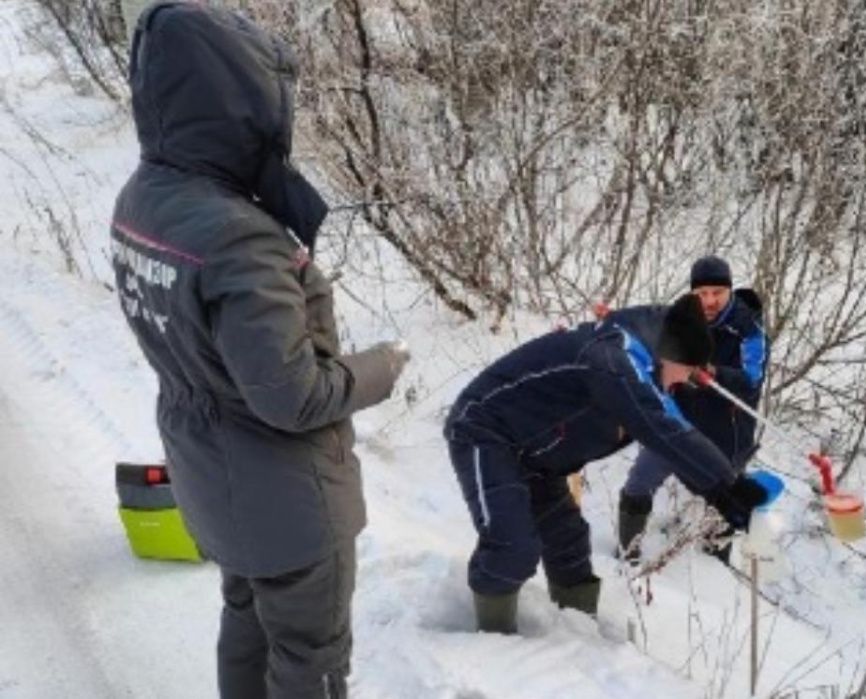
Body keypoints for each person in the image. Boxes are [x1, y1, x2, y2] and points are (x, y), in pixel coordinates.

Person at [110, 4, 408, 697]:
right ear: (238, 107)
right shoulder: (239, 238)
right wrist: (380, 368)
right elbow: (293, 394)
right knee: (312, 658)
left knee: (246, 618)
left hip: (213, 478)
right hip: (290, 502)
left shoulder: (143, 199)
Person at [443, 294, 769, 634]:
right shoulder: (611, 355)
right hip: (484, 431)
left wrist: (726, 488)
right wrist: (724, 486)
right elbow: (656, 426)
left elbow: (678, 438)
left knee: (569, 543)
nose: (682, 382)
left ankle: (579, 640)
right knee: (512, 544)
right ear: (671, 353)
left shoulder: (646, 373)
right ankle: (492, 645)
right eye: (686, 372)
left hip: (537, 457)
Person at [618, 256, 769, 563]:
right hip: (677, 424)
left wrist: (713, 372)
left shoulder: (749, 330)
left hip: (726, 434)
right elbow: (648, 344)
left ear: (729, 291)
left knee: (725, 504)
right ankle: (627, 555)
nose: (710, 300)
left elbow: (752, 380)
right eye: (702, 294)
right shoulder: (681, 320)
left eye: (717, 292)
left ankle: (717, 566)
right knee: (638, 484)